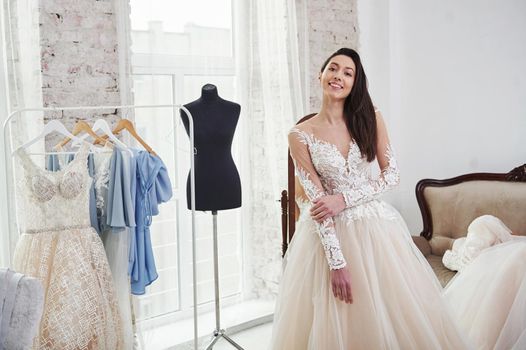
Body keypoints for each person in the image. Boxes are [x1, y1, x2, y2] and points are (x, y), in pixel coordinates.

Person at [270, 48, 470, 349]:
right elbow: (318, 204)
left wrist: (343, 199)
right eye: (333, 69)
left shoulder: (370, 117)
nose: (338, 76)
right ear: (320, 75)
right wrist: (337, 264)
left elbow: (392, 176)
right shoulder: (299, 134)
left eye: (347, 73)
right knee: (338, 320)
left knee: (395, 317)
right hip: (329, 238)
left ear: (355, 82)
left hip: (376, 231)